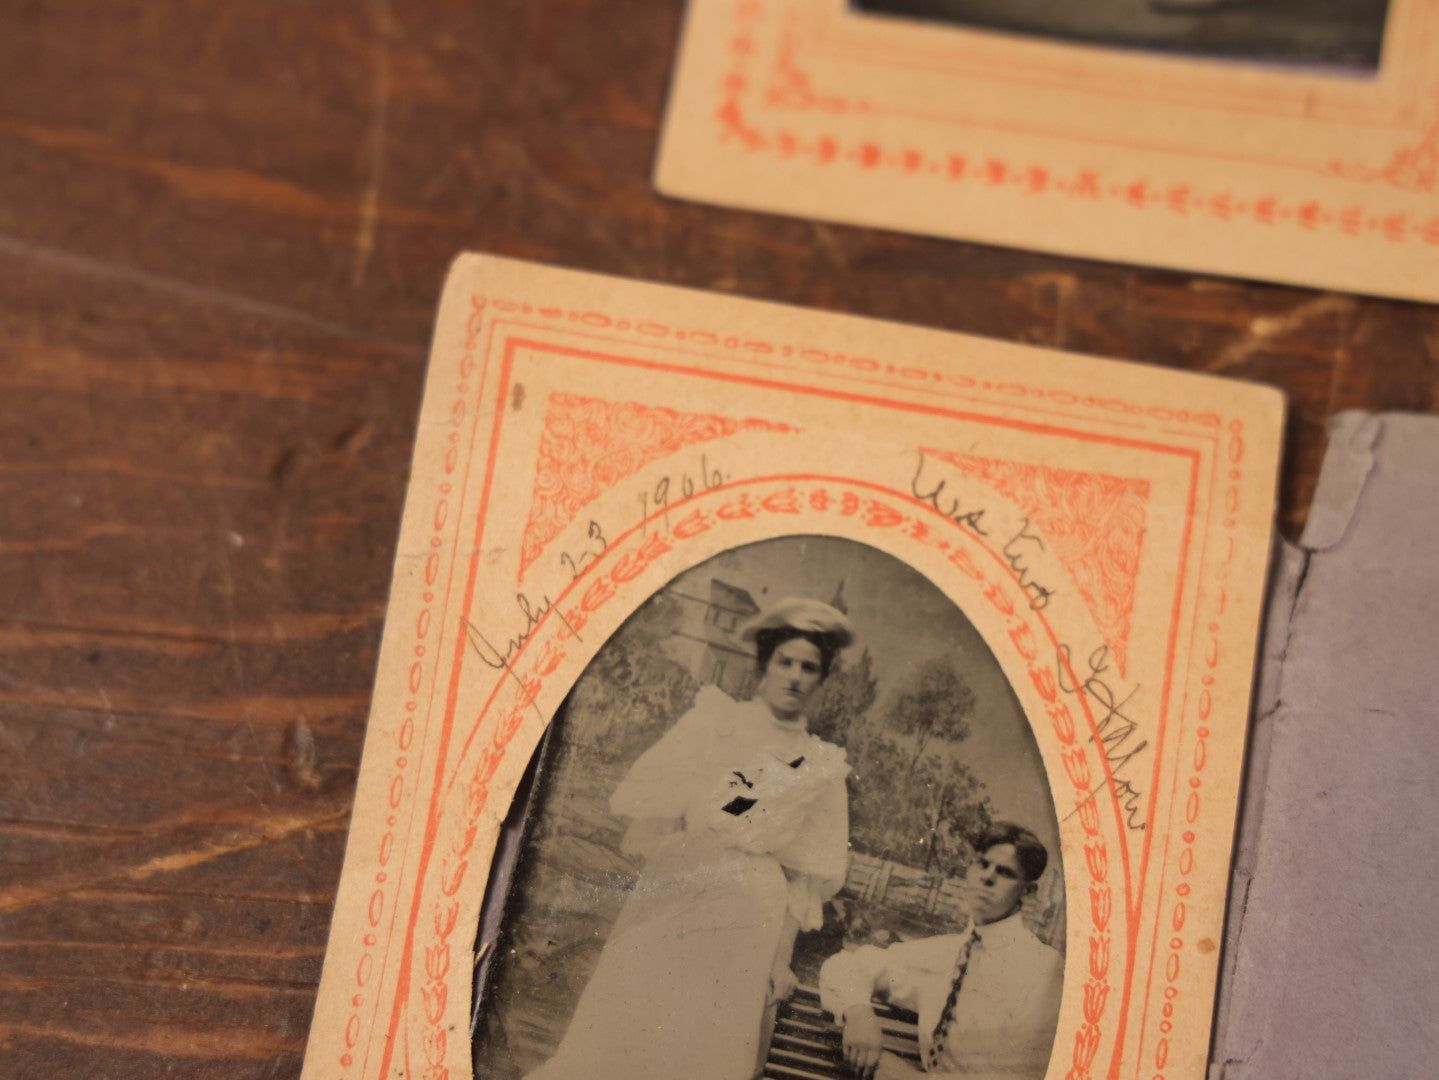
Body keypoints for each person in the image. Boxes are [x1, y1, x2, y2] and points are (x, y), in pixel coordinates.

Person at [525, 598, 855, 1080]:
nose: (795, 677)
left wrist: (780, 961)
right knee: (629, 1023)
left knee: (707, 1045)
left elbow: (804, 880)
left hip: (752, 915)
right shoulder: (716, 720)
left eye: (809, 667)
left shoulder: (821, 765)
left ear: (822, 680)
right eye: (785, 662)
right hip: (685, 884)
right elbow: (650, 801)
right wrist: (675, 865)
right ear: (764, 666)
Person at [819, 824, 1063, 1080]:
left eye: (1005, 872)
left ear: (1027, 891)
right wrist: (858, 1013)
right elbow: (847, 965)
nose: (987, 877)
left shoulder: (1042, 970)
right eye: (982, 864)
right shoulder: (947, 954)